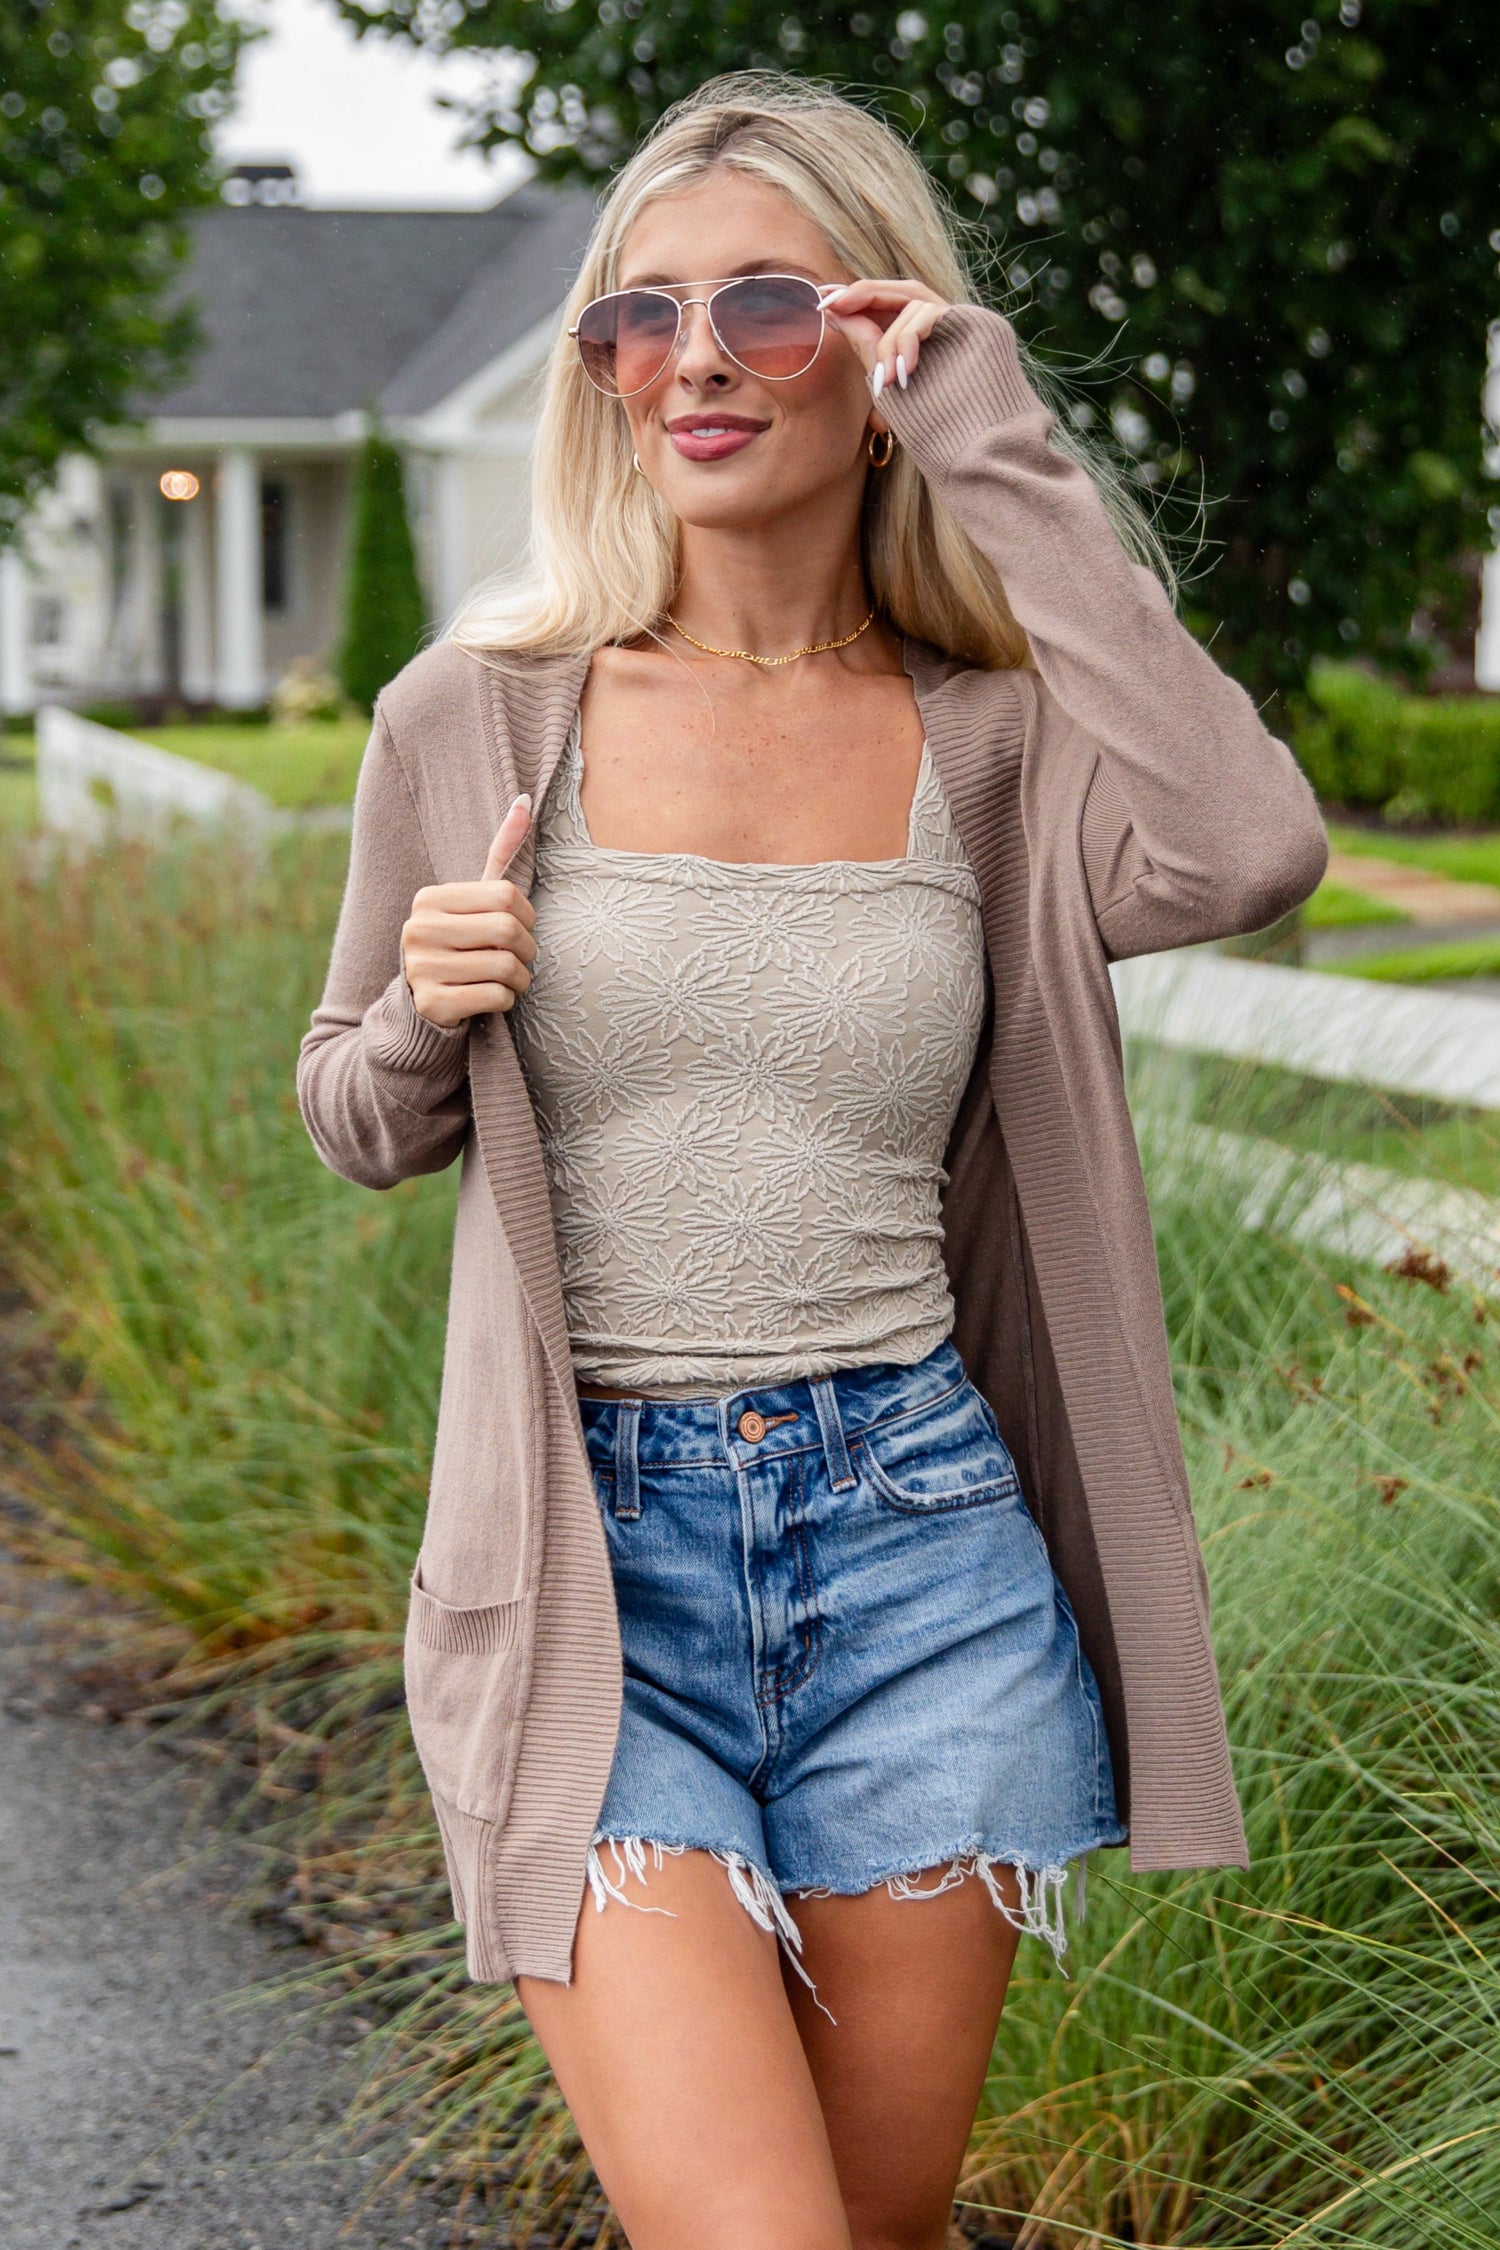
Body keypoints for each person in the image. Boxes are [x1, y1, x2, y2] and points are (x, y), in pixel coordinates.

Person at [298, 71, 1327, 2250]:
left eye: (764, 304)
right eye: (636, 317)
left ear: (879, 347)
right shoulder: (473, 718)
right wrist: (421, 1003)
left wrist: (1004, 448)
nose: (689, 360)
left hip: (925, 1564)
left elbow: (1248, 851)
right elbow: (355, 1116)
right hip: (593, 1571)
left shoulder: (1000, 742)